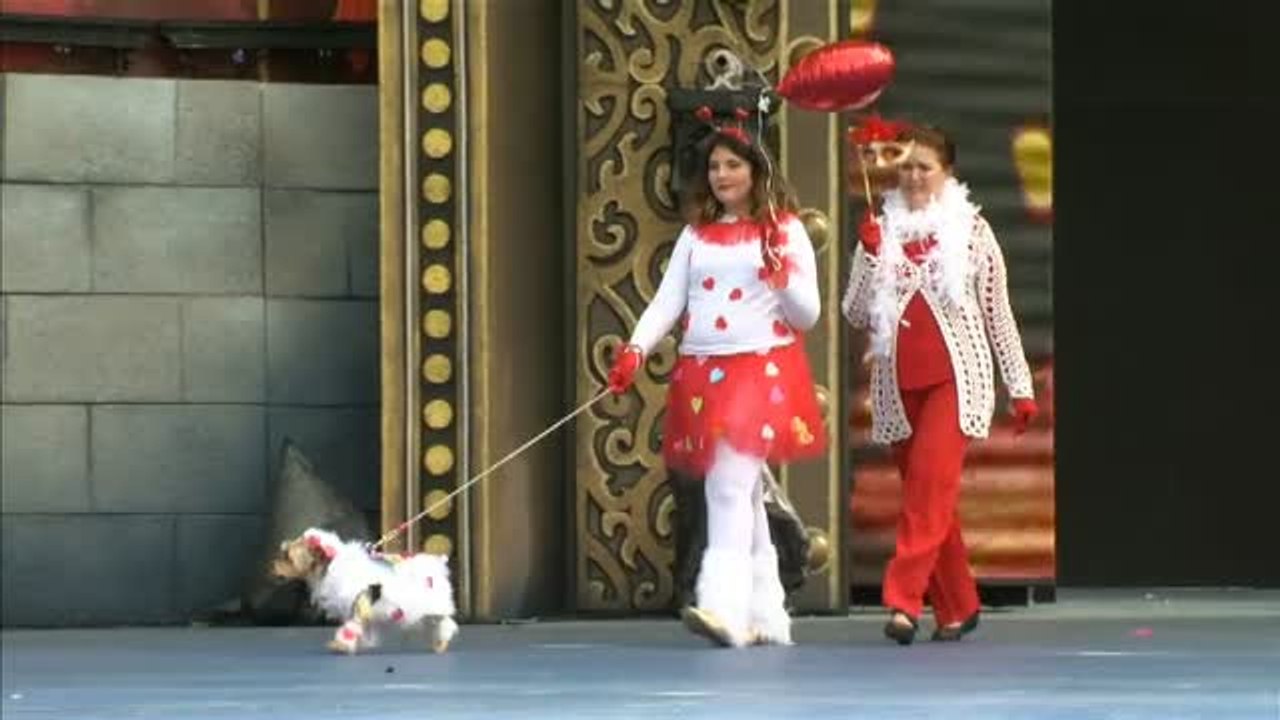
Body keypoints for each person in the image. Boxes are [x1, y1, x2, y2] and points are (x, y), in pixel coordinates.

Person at [607, 107, 826, 648]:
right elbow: (668, 301)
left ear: (757, 169)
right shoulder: (696, 235)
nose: (722, 175)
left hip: (761, 368)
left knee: (727, 484)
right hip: (704, 372)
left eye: (733, 165)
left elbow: (806, 315)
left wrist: (782, 277)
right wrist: (635, 348)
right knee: (741, 491)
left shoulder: (786, 230)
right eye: (714, 167)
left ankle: (722, 605)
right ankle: (767, 612)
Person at [840, 124, 1039, 645]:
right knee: (930, 500)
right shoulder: (881, 230)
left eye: (923, 167)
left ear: (947, 173)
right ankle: (959, 607)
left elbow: (998, 314)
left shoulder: (973, 231)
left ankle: (903, 600)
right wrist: (869, 257)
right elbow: (855, 312)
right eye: (905, 166)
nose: (912, 176)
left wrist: (1020, 385)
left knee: (928, 491)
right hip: (898, 385)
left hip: (956, 380)